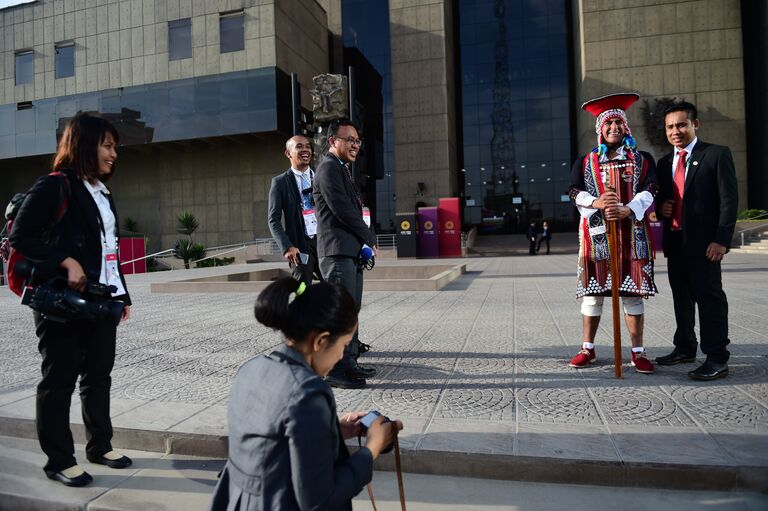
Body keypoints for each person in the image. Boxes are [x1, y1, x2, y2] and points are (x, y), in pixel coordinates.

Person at [10, 112, 132, 487]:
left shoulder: (101, 192)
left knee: (98, 377)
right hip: (63, 304)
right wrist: (65, 262)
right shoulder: (54, 185)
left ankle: (100, 445)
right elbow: (21, 236)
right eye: (107, 145)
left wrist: (122, 293)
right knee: (58, 380)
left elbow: (108, 249)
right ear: (84, 145)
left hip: (101, 300)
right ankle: (59, 460)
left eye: (115, 147)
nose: (114, 154)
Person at [208, 278, 402, 511]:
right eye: (345, 344)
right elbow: (319, 502)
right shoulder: (307, 392)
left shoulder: (251, 368)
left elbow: (270, 442)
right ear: (320, 341)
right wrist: (373, 447)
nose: (342, 356)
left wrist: (332, 430)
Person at [567, 93, 659, 374]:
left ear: (626, 127)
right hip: (597, 234)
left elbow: (652, 188)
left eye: (619, 122)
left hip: (632, 233)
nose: (614, 128)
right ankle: (588, 348)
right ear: (600, 129)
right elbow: (573, 191)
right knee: (593, 294)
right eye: (608, 123)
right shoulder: (586, 161)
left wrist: (629, 209)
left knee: (632, 294)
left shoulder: (642, 159)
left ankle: (638, 352)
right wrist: (595, 202)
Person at [654, 101, 738, 381]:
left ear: (694, 124)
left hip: (706, 245)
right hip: (676, 242)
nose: (675, 131)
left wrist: (721, 239)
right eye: (670, 127)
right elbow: (663, 199)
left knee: (710, 299)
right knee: (682, 298)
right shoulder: (665, 163)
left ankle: (716, 358)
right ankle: (685, 348)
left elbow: (729, 200)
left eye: (681, 125)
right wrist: (662, 208)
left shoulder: (715, 155)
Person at [313, 119, 377, 389]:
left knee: (350, 311)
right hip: (336, 254)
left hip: (348, 253)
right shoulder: (328, 169)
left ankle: (349, 363)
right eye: (349, 139)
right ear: (332, 141)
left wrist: (362, 246)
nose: (355, 145)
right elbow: (342, 209)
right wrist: (369, 237)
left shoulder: (341, 169)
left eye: (357, 140)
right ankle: (336, 370)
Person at [268, 135, 323, 285]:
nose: (305, 150)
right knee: (303, 292)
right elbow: (273, 220)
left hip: (324, 243)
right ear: (288, 153)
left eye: (308, 146)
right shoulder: (280, 182)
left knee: (333, 291)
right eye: (299, 146)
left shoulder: (321, 178)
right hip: (299, 247)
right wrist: (287, 247)